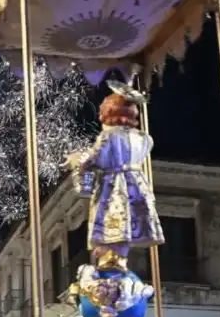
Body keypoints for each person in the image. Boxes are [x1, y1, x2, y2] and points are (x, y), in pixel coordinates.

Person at [68, 80, 164, 272]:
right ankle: (121, 259)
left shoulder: (108, 137)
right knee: (127, 225)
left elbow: (91, 160)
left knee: (110, 224)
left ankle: (110, 261)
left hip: (113, 184)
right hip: (136, 182)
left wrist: (77, 162)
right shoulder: (145, 138)